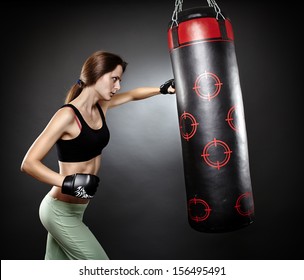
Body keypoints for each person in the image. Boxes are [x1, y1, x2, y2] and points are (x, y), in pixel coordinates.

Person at [20, 50, 175, 260]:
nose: (118, 86)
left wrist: (162, 89)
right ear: (96, 74)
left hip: (76, 211)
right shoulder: (67, 115)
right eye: (114, 79)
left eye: (119, 80)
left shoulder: (101, 106)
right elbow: (29, 163)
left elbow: (132, 94)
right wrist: (67, 182)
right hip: (58, 211)